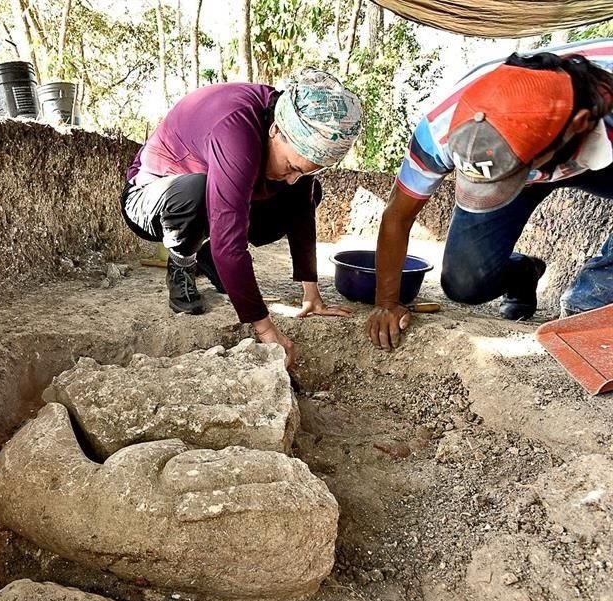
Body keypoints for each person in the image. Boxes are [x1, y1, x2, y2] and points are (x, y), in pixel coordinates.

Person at [367, 39, 613, 351]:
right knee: (465, 282)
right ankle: (522, 274)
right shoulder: (439, 131)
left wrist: (599, 290)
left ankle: (594, 302)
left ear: (578, 125)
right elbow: (397, 215)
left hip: (596, 158)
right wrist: (386, 303)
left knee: (596, 305)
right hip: (533, 160)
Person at [121, 69, 362, 367]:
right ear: (275, 131)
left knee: (304, 193)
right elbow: (230, 244)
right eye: (290, 166)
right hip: (150, 198)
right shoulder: (236, 129)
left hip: (211, 195)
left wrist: (311, 293)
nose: (290, 178)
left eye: (302, 169)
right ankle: (182, 262)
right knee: (199, 192)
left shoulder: (290, 119)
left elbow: (300, 210)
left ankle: (206, 255)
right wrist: (265, 328)